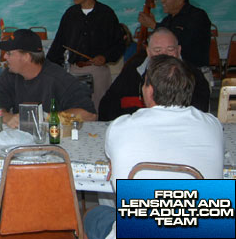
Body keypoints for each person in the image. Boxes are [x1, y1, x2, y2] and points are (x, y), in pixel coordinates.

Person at [84, 55, 224, 239]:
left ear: (149, 91)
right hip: (201, 232)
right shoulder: (213, 126)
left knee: (92, 215)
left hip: (140, 232)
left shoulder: (121, 127)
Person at [47, 0, 125, 114]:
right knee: (74, 111)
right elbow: (58, 44)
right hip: (74, 70)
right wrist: (49, 68)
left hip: (98, 71)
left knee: (99, 110)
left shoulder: (106, 14)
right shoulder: (70, 15)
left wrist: (105, 57)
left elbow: (119, 43)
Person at [0, 29, 97, 128]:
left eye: (9, 53)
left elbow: (90, 114)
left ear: (26, 57)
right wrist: (7, 117)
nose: (5, 57)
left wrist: (43, 118)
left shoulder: (58, 78)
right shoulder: (11, 74)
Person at [138, 0, 211, 69]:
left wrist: (154, 26)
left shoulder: (198, 16)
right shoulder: (168, 20)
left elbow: (183, 42)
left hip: (194, 74)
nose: (162, 0)